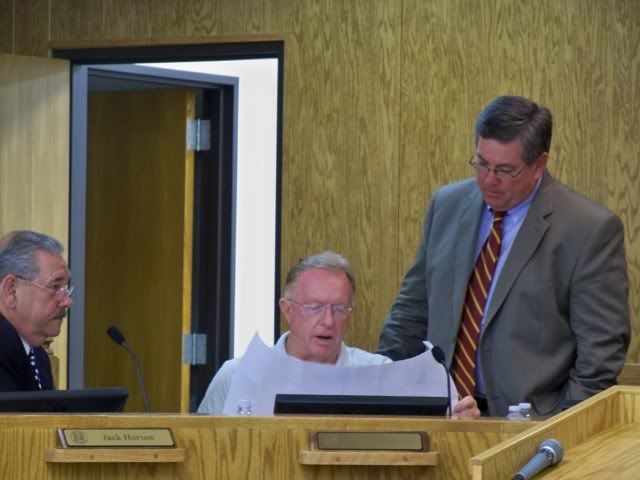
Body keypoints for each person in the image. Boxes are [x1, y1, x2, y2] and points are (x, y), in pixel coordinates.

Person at [378, 95, 630, 417]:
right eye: (482, 163)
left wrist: (558, 432)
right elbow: (411, 314)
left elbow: (599, 359)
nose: (488, 180)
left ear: (539, 165)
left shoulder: (588, 230)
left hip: (529, 429)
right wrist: (386, 398)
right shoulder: (446, 205)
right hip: (443, 418)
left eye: (505, 170)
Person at [198, 251, 479, 418]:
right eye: (315, 307)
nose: (328, 321)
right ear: (287, 310)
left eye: (339, 308)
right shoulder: (237, 375)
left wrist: (459, 420)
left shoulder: (381, 375)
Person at [0, 230, 73, 391]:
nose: (67, 301)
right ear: (12, 290)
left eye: (66, 288)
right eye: (55, 286)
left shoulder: (38, 356)